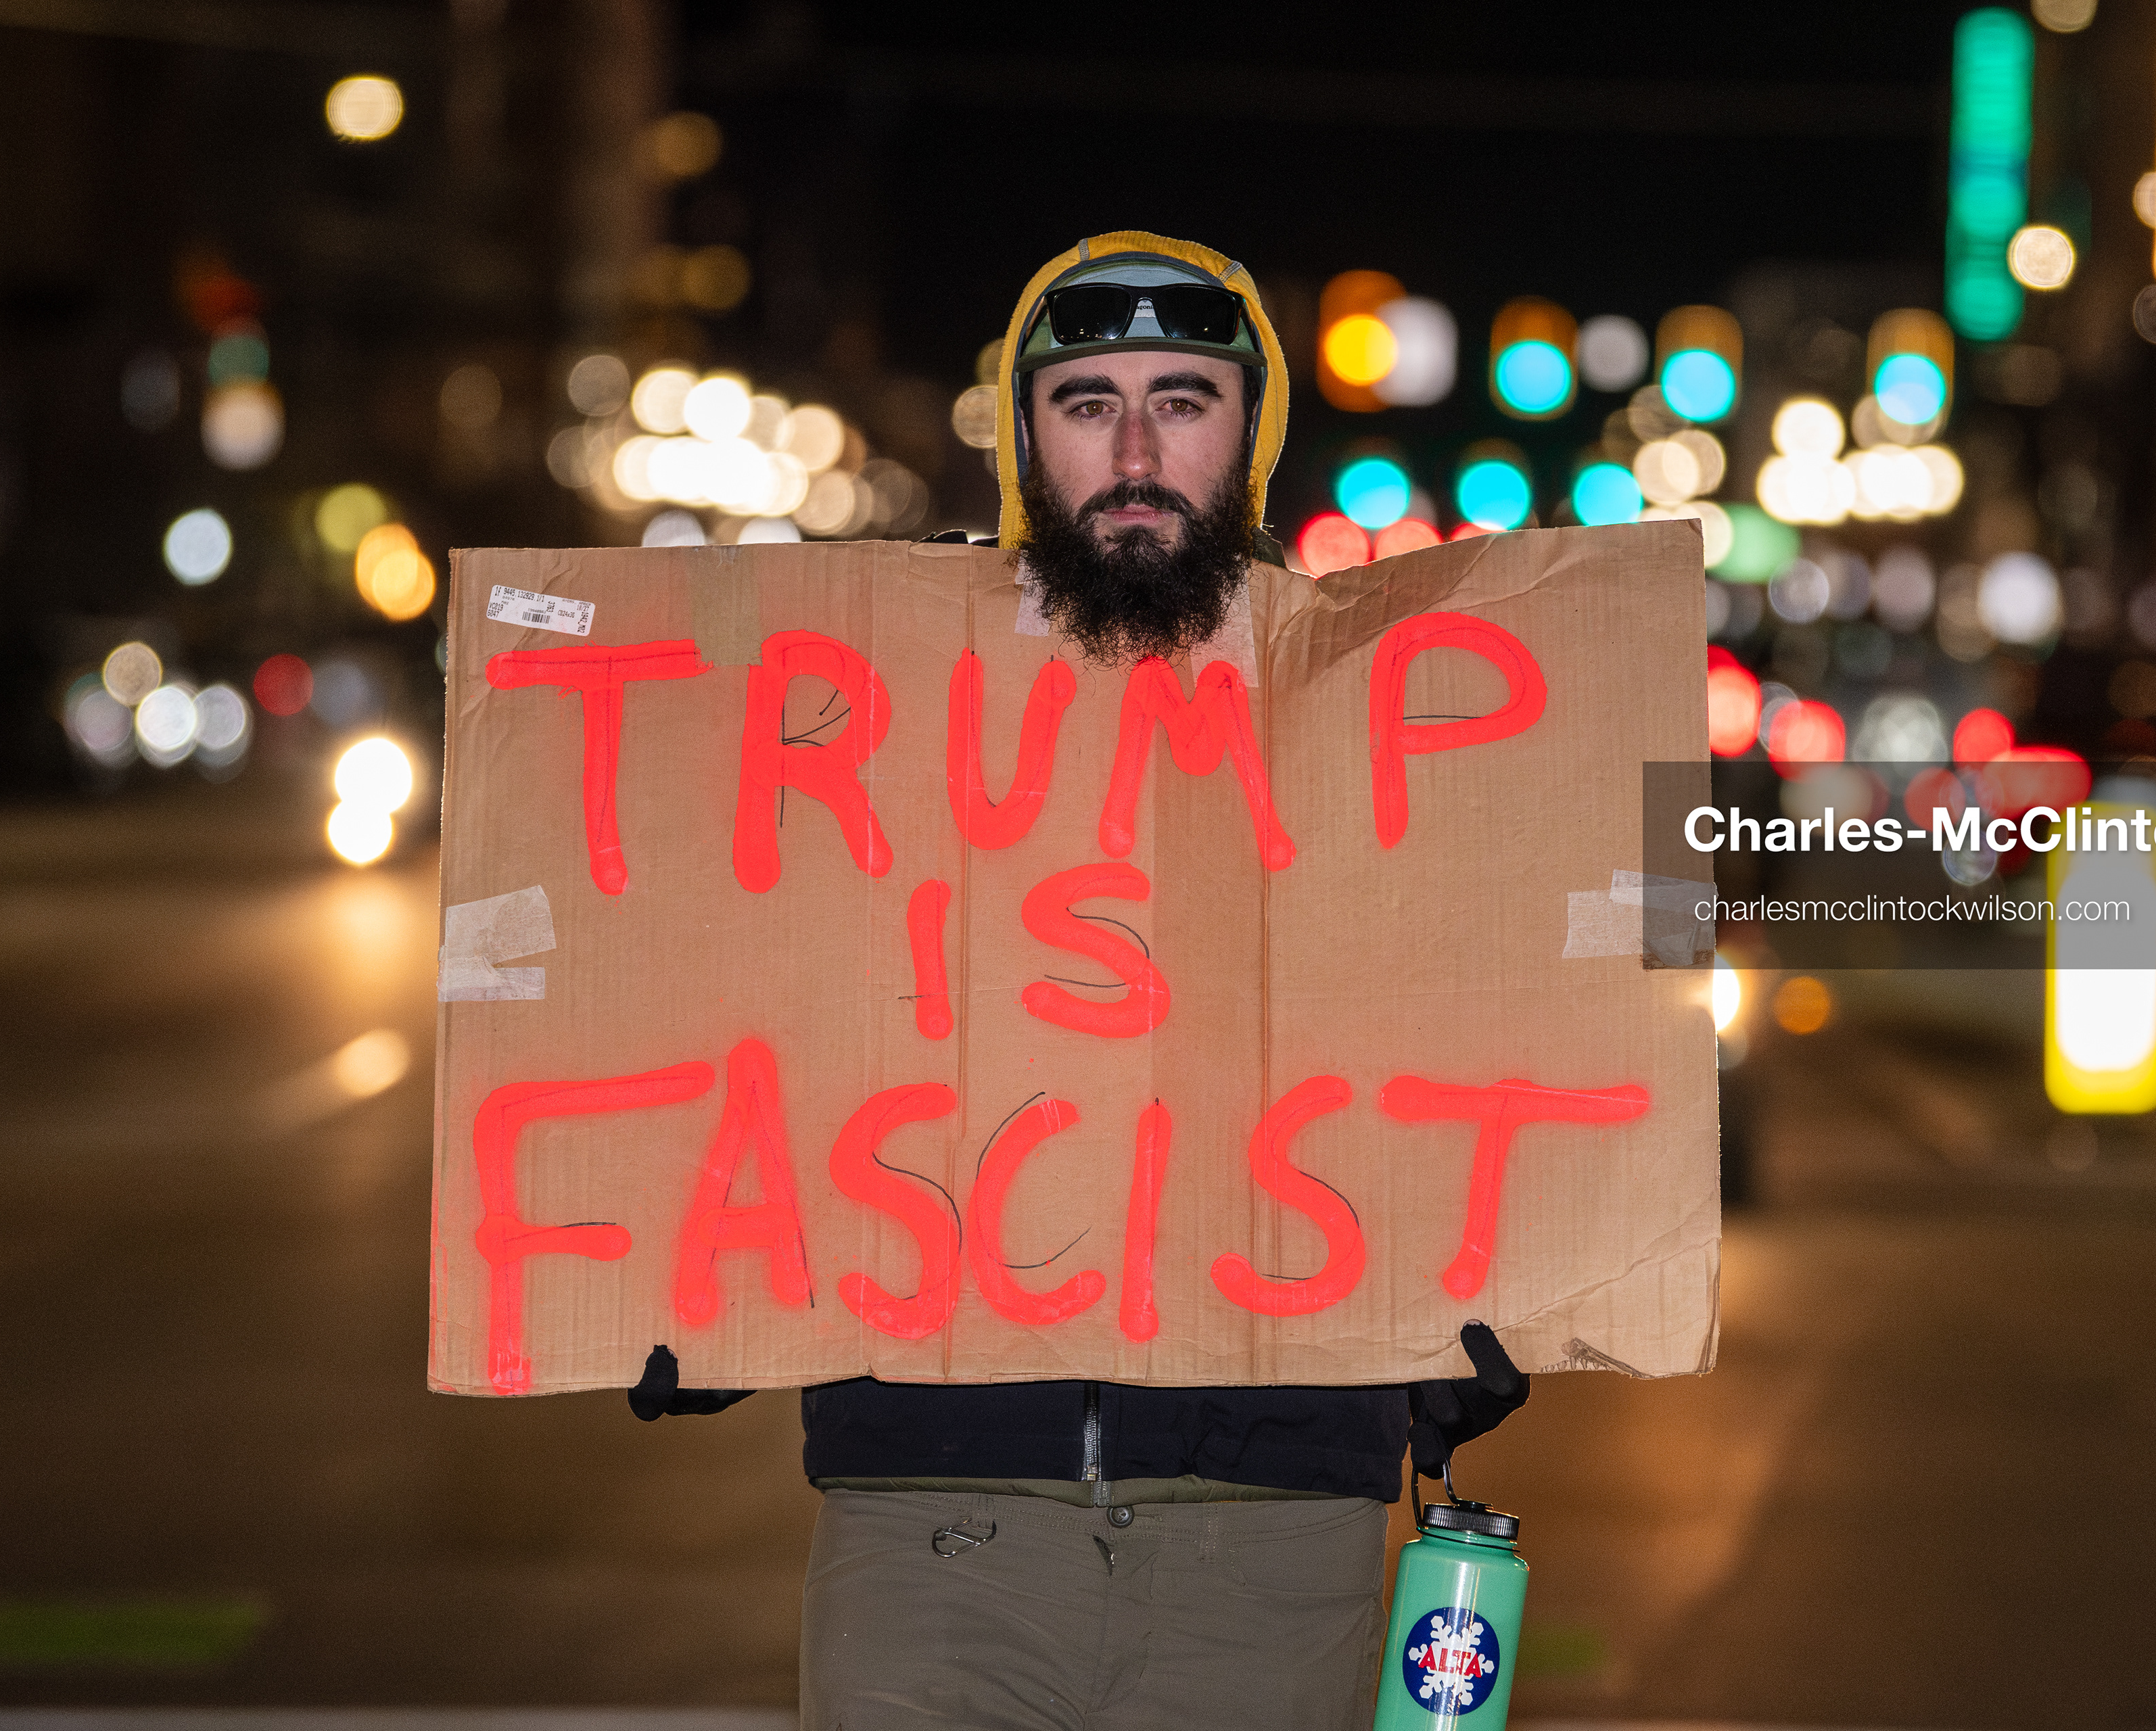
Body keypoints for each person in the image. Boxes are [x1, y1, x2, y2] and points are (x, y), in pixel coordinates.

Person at [630, 231, 1529, 1730]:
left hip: (1273, 1538)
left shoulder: (1379, 728)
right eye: (1084, 399)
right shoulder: (868, 723)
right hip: (934, 1529)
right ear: (1024, 432)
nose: (1131, 448)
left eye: (1182, 397)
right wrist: (681, 1278)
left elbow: (1483, 1037)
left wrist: (1495, 1296)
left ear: (1253, 431)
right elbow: (757, 1026)